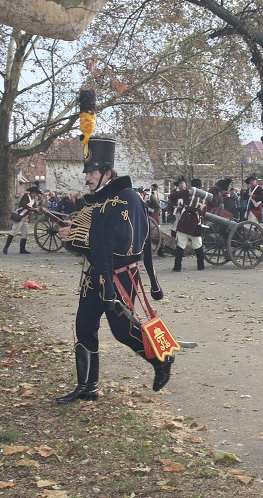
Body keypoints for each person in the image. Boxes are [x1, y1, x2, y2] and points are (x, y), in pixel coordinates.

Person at [56, 135, 170, 403]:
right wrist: (69, 238)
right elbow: (87, 242)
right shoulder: (96, 201)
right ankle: (88, 387)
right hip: (93, 276)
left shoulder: (128, 198)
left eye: (92, 171)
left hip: (118, 277)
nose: (87, 177)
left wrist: (79, 237)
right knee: (84, 327)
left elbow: (126, 244)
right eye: (87, 172)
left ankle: (163, 359)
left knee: (122, 332)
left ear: (107, 172)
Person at [168, 178, 207, 271]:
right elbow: (204, 212)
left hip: (185, 221)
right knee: (198, 245)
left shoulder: (187, 193)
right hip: (196, 223)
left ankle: (177, 267)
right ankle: (200, 266)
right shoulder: (205, 196)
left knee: (180, 245)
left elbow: (172, 195)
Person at [2, 184, 41, 254]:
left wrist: (39, 212)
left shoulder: (33, 200)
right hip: (20, 216)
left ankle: (22, 249)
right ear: (33, 193)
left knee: (25, 233)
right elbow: (23, 204)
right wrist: (32, 208)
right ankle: (6, 247)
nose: (37, 195)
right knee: (14, 231)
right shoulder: (26, 196)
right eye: (36, 194)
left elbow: (34, 209)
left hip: (25, 218)